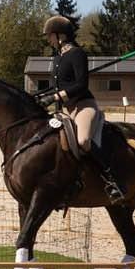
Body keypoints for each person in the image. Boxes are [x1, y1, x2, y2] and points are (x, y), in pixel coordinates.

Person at [36, 15, 126, 204]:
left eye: (50, 36)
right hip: (65, 110)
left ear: (60, 35)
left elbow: (81, 85)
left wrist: (54, 97)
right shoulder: (57, 58)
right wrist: (38, 96)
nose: (48, 40)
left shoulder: (77, 54)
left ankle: (112, 180)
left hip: (83, 106)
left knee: (83, 140)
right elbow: (56, 86)